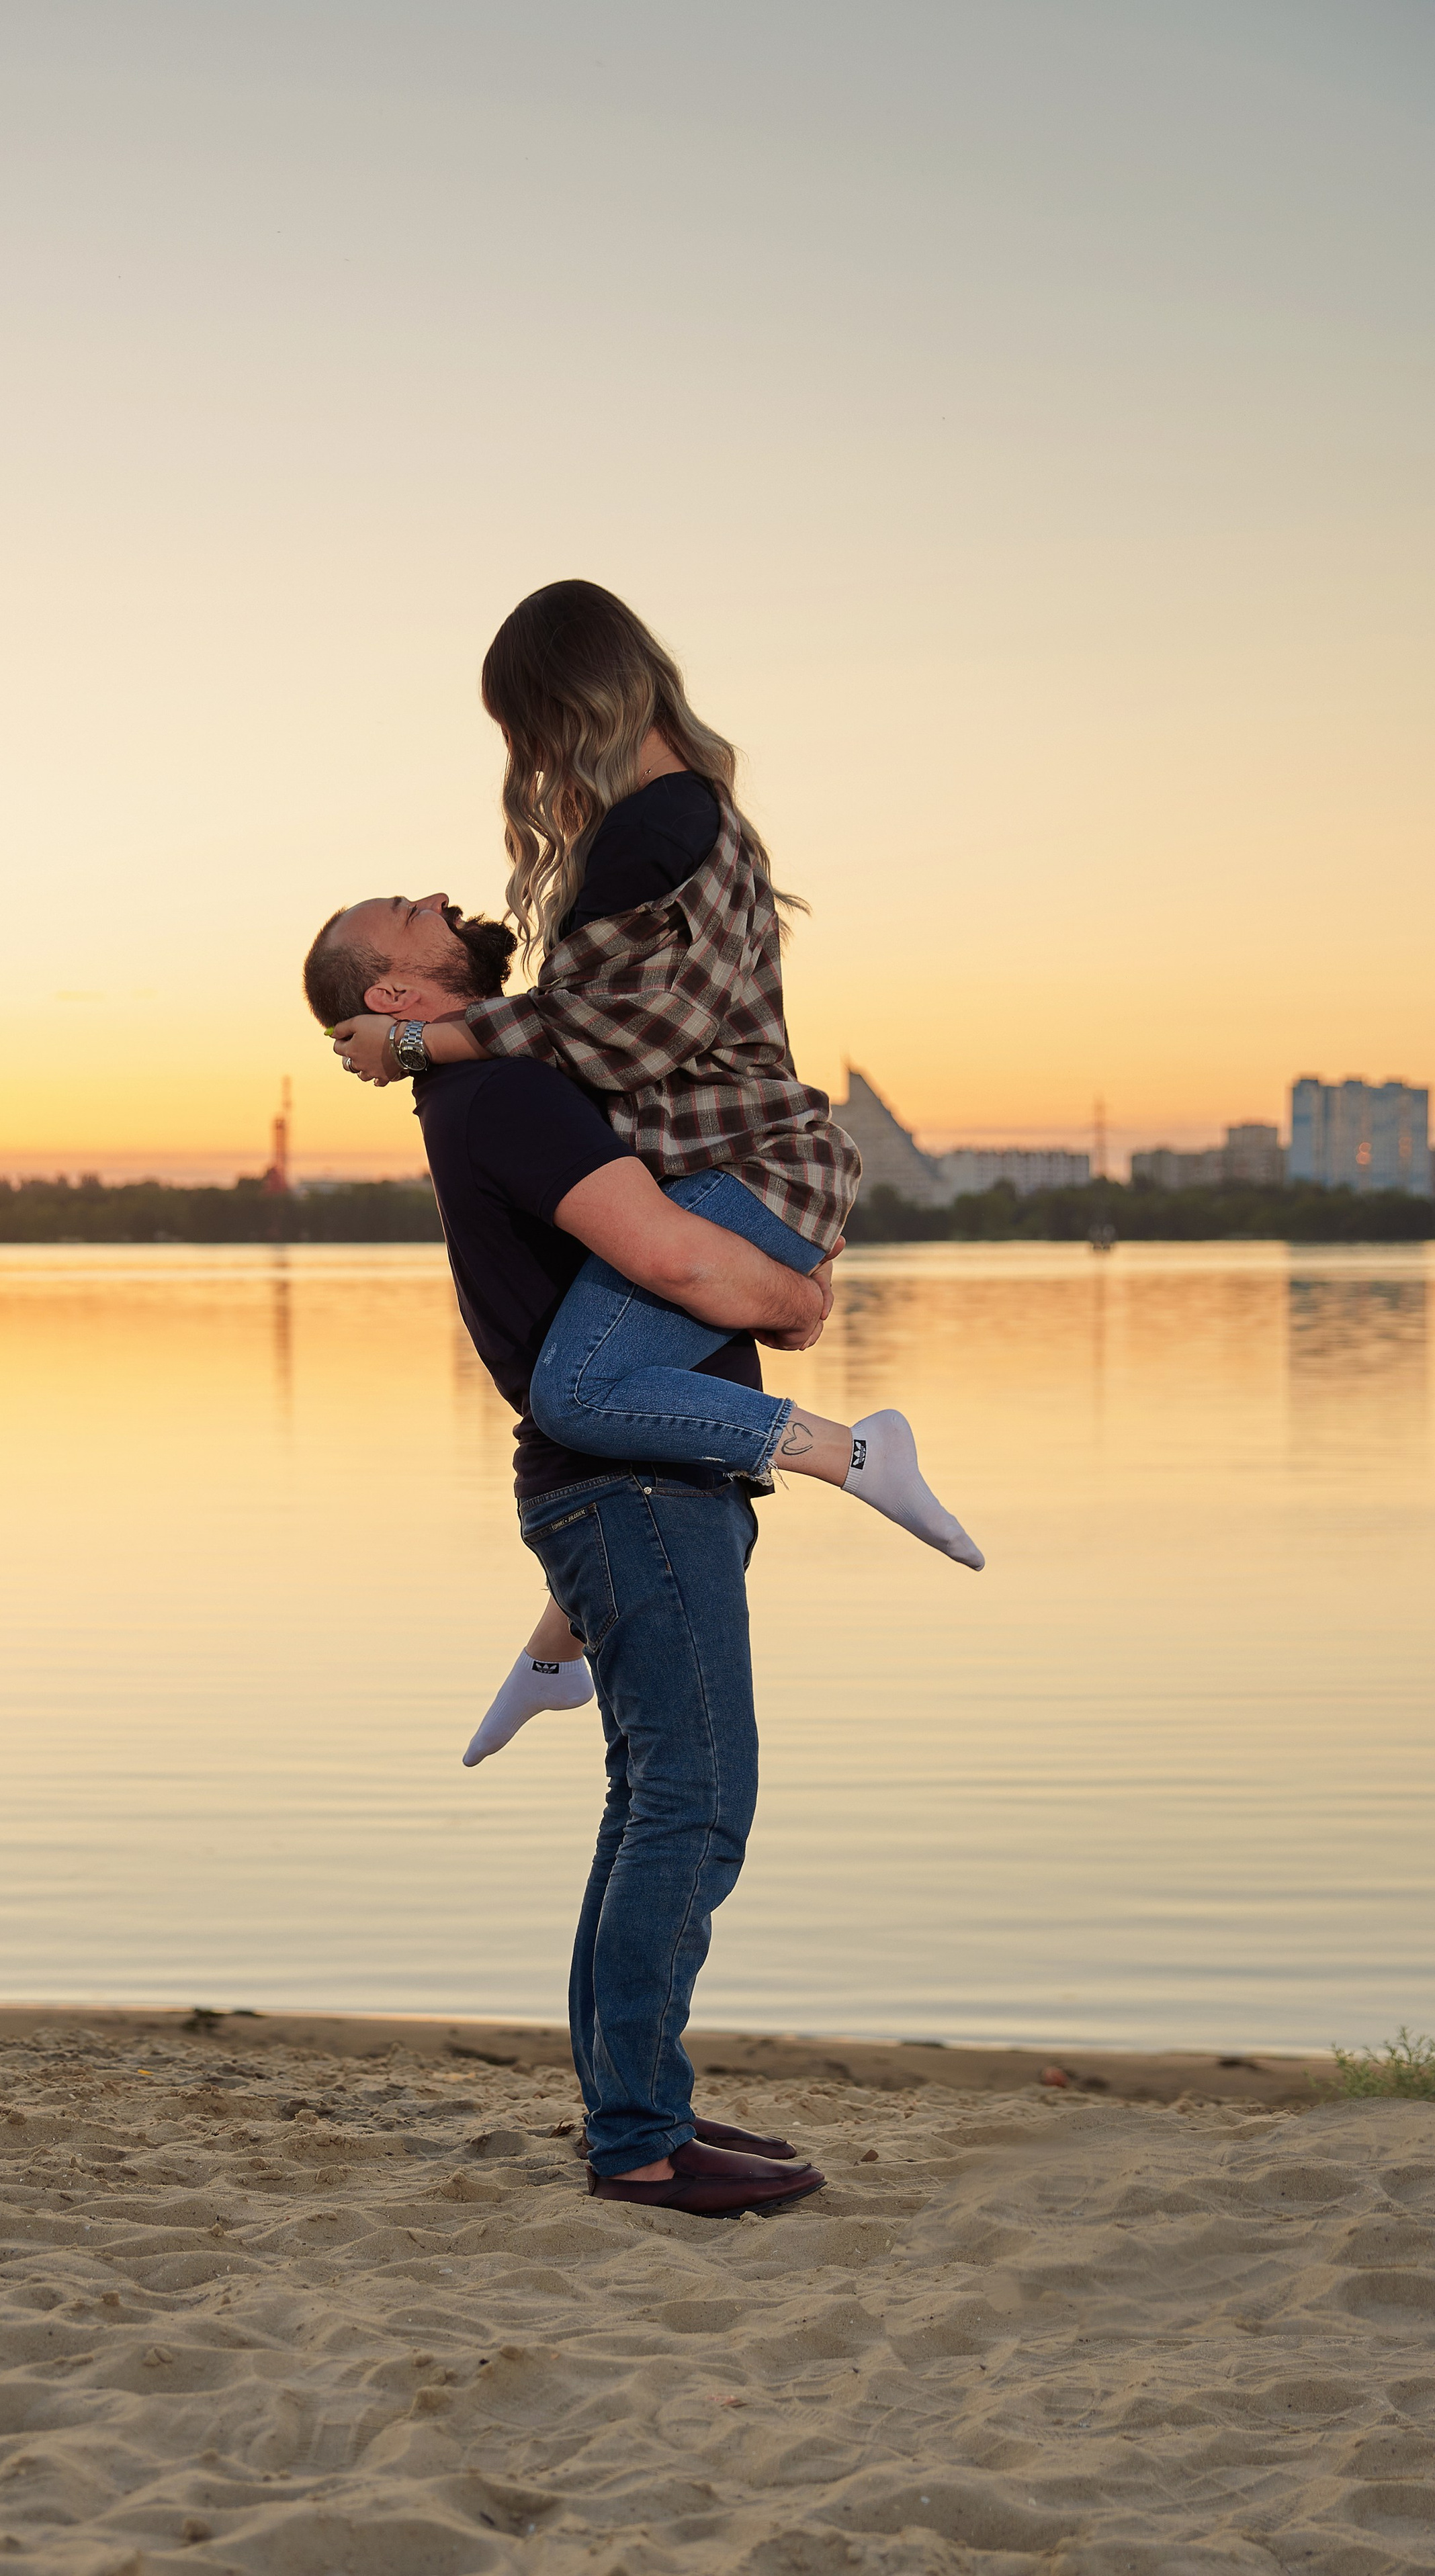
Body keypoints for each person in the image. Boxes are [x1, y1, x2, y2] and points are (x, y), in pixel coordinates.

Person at [314, 582, 982, 1761]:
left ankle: (859, 1452)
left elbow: (615, 1034)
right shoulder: (693, 822)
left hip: (746, 1169)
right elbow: (610, 1036)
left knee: (582, 1392)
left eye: (520, 729)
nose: (523, 764)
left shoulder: (651, 836)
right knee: (605, 1384)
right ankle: (548, 1658)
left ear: (562, 709)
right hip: (760, 1172)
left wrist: (423, 1041)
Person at [302, 908, 833, 2215]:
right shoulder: (506, 1092)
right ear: (393, 979)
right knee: (691, 1803)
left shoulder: (490, 1079)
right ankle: (639, 2140)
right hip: (635, 1491)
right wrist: (798, 1299)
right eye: (407, 915)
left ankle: (636, 2108)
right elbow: (671, 1258)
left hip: (629, 1488)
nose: (437, 896)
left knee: (651, 1798)